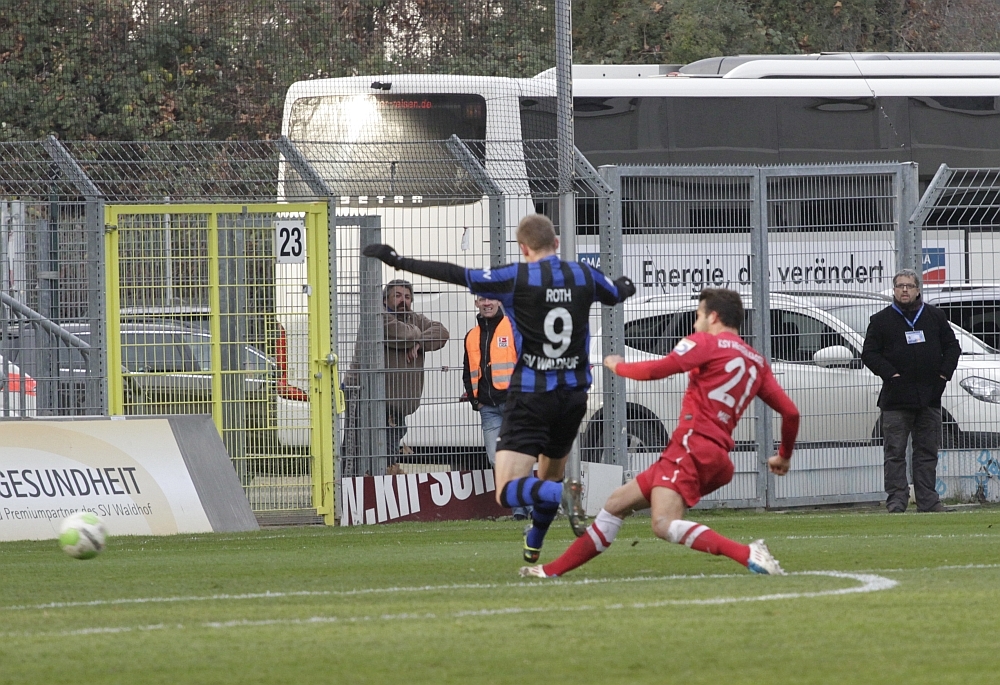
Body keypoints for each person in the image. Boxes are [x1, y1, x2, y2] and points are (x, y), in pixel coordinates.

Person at [363, 214, 635, 561]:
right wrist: (627, 283)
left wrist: (399, 261)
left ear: (523, 248)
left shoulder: (515, 276)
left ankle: (563, 495)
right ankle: (535, 540)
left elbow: (456, 273)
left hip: (532, 396)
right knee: (548, 477)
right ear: (556, 244)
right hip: (573, 397)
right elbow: (618, 292)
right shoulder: (582, 274)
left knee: (508, 490)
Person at [520, 288, 800, 578]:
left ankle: (747, 553)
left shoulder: (706, 342)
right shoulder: (756, 360)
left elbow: (658, 369)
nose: (695, 324)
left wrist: (618, 366)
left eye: (698, 316)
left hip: (692, 447)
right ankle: (550, 571)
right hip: (713, 456)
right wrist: (783, 456)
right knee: (616, 503)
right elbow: (791, 413)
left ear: (713, 317)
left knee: (663, 523)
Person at [861, 268, 960, 513]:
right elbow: (869, 354)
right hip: (895, 399)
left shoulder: (935, 316)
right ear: (894, 290)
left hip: (929, 398)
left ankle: (928, 501)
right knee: (894, 452)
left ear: (917, 290)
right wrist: (891, 374)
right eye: (900, 286)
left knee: (927, 452)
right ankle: (897, 501)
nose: (904, 290)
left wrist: (942, 376)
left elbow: (952, 348)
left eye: (909, 286)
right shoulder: (881, 320)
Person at [462, 295, 529, 520]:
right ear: (476, 303)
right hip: (488, 409)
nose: (487, 303)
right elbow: (467, 371)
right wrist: (476, 401)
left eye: (491, 298)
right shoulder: (471, 336)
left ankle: (522, 509)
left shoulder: (514, 327)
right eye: (482, 299)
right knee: (496, 460)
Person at [381, 279, 450, 460]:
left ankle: (380, 476)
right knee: (361, 453)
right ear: (385, 299)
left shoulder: (416, 319)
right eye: (397, 296)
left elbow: (442, 332)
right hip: (373, 402)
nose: (403, 300)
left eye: (407, 297)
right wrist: (417, 335)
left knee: (387, 456)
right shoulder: (379, 317)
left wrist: (419, 342)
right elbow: (402, 334)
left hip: (396, 408)